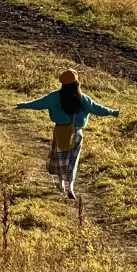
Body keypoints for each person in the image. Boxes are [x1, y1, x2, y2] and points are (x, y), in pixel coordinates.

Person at [17, 69, 119, 199]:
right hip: (76, 133)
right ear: (77, 83)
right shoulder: (83, 99)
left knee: (60, 159)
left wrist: (24, 105)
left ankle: (61, 184)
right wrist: (113, 112)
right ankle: (70, 186)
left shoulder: (55, 97)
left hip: (60, 132)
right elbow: (98, 108)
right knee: (72, 160)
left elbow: (39, 103)